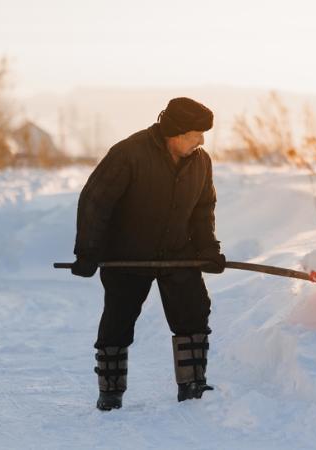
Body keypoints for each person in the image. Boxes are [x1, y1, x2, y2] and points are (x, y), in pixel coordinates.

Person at [71, 97, 225, 411]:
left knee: (194, 314)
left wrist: (208, 249)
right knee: (118, 321)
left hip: (179, 254)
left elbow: (202, 209)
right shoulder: (128, 154)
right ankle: (110, 392)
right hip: (127, 256)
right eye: (197, 134)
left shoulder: (200, 161)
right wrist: (88, 251)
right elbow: (96, 203)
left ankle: (193, 385)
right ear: (177, 132)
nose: (202, 141)